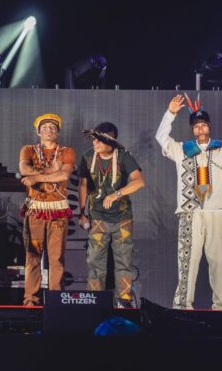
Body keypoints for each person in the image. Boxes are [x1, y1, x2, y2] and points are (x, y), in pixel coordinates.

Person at [155, 94, 222, 310]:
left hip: (217, 213)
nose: (200, 129)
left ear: (208, 127)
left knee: (220, 263)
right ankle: (182, 306)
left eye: (203, 125)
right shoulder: (182, 149)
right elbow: (162, 138)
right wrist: (170, 114)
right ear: (192, 129)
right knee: (187, 263)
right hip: (190, 213)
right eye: (196, 126)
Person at [79, 123, 145, 308]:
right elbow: (83, 185)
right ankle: (94, 300)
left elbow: (139, 182)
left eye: (99, 139)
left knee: (124, 260)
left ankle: (124, 301)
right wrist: (82, 212)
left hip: (122, 218)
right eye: (94, 139)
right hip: (98, 217)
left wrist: (117, 194)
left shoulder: (124, 156)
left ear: (111, 141)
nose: (95, 143)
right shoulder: (87, 157)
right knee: (94, 261)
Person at [18, 114, 76, 306]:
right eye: (44, 127)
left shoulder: (67, 151)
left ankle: (56, 299)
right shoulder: (28, 150)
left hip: (58, 210)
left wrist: (37, 178)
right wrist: (51, 171)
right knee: (33, 256)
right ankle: (31, 299)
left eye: (52, 127)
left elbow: (65, 175)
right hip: (36, 210)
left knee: (56, 258)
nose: (48, 130)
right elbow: (24, 170)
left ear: (58, 132)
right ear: (37, 131)